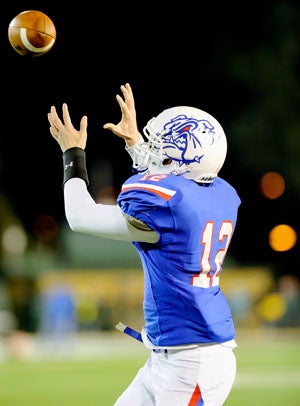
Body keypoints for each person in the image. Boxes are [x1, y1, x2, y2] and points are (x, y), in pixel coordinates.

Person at [47, 83, 241, 406]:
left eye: (159, 146)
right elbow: (176, 179)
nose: (153, 151)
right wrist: (136, 144)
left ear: (183, 157)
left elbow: (80, 216)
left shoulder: (169, 211)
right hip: (171, 355)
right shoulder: (215, 193)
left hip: (192, 362)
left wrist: (73, 153)